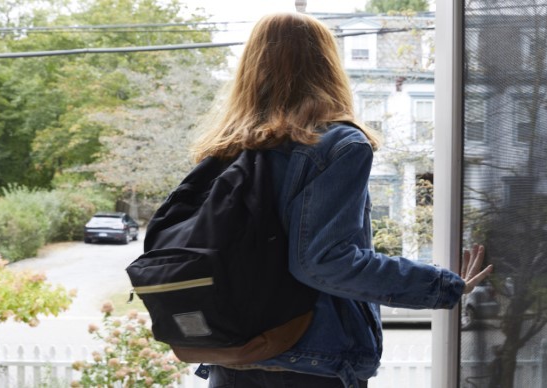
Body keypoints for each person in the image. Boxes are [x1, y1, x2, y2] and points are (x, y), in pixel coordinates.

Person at [188, 12, 493, 388]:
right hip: (307, 365)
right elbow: (323, 261)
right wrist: (440, 285)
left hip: (232, 357)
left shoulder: (224, 149)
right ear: (327, 63)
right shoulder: (337, 145)